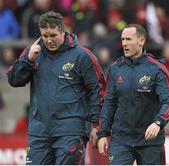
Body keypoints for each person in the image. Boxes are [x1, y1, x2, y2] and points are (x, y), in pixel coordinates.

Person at [7, 11, 105, 165]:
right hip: (39, 132)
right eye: (45, 36)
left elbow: (97, 91)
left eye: (53, 35)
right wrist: (28, 60)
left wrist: (96, 125)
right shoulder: (33, 52)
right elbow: (14, 80)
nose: (49, 40)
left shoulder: (82, 56)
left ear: (63, 32)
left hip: (71, 131)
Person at [97, 24, 169, 165]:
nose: (124, 43)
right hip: (121, 140)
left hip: (150, 141)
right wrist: (102, 134)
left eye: (128, 39)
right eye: (122, 39)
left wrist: (158, 122)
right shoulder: (115, 69)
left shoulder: (157, 69)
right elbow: (108, 103)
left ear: (141, 41)